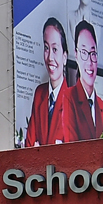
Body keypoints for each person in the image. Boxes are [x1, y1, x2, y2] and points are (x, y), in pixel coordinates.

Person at [22, 17, 79, 146]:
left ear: (64, 57)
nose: (50, 57)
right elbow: (29, 145)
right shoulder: (39, 94)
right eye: (46, 48)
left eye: (54, 49)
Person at [65, 19, 103, 140]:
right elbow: (72, 148)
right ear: (76, 55)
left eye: (93, 53)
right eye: (84, 52)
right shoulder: (68, 98)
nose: (90, 62)